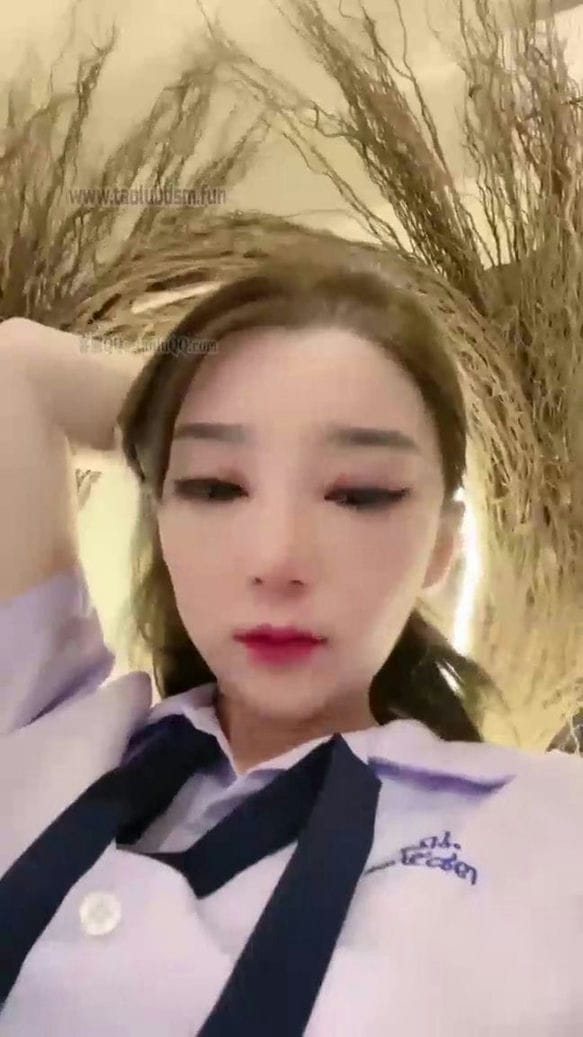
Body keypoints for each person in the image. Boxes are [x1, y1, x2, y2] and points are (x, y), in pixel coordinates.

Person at [1, 253, 583, 1036]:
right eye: (213, 485)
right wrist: (190, 396)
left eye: (359, 493)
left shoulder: (548, 825)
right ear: (161, 514)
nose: (276, 559)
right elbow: (17, 368)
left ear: (442, 545)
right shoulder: (40, 724)